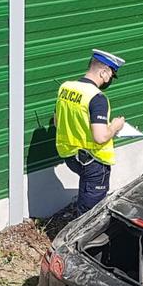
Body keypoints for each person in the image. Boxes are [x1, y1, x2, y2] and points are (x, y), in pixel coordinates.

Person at [54, 49, 126, 216]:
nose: (109, 80)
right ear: (103, 72)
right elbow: (100, 137)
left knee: (85, 191)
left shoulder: (65, 88)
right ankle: (77, 239)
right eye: (110, 76)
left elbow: (58, 121)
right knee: (89, 214)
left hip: (70, 155)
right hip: (94, 161)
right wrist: (115, 126)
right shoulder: (97, 98)